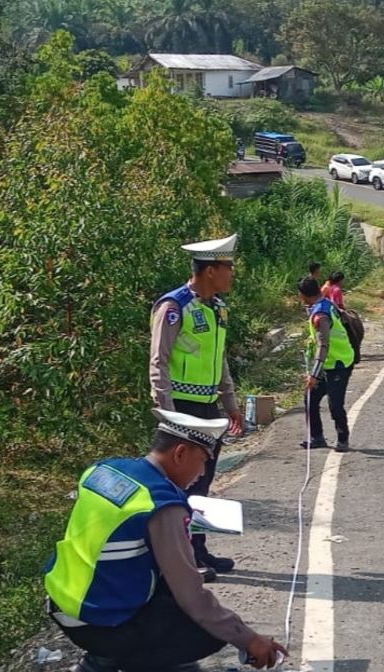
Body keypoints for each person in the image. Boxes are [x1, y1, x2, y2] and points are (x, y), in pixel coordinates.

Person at [44, 409, 288, 672]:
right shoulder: (163, 506)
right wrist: (249, 639)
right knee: (204, 631)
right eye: (204, 460)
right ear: (180, 453)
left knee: (169, 597)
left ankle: (107, 658)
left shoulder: (103, 469)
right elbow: (192, 596)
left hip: (62, 598)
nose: (204, 471)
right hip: (96, 619)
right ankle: (107, 659)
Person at [150, 234, 244, 579]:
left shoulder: (217, 309)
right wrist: (168, 413)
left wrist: (230, 402)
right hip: (182, 409)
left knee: (203, 484)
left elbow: (219, 361)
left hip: (208, 408)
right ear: (210, 270)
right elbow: (158, 362)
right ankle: (177, 560)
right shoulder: (174, 307)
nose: (232, 274)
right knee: (177, 486)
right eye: (228, 267)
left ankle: (197, 550)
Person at [298, 276, 355, 451]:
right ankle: (317, 437)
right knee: (310, 398)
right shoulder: (324, 304)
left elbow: (324, 345)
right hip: (326, 364)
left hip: (339, 363)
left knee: (335, 403)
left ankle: (342, 439)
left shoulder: (321, 314)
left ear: (303, 295)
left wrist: (314, 374)